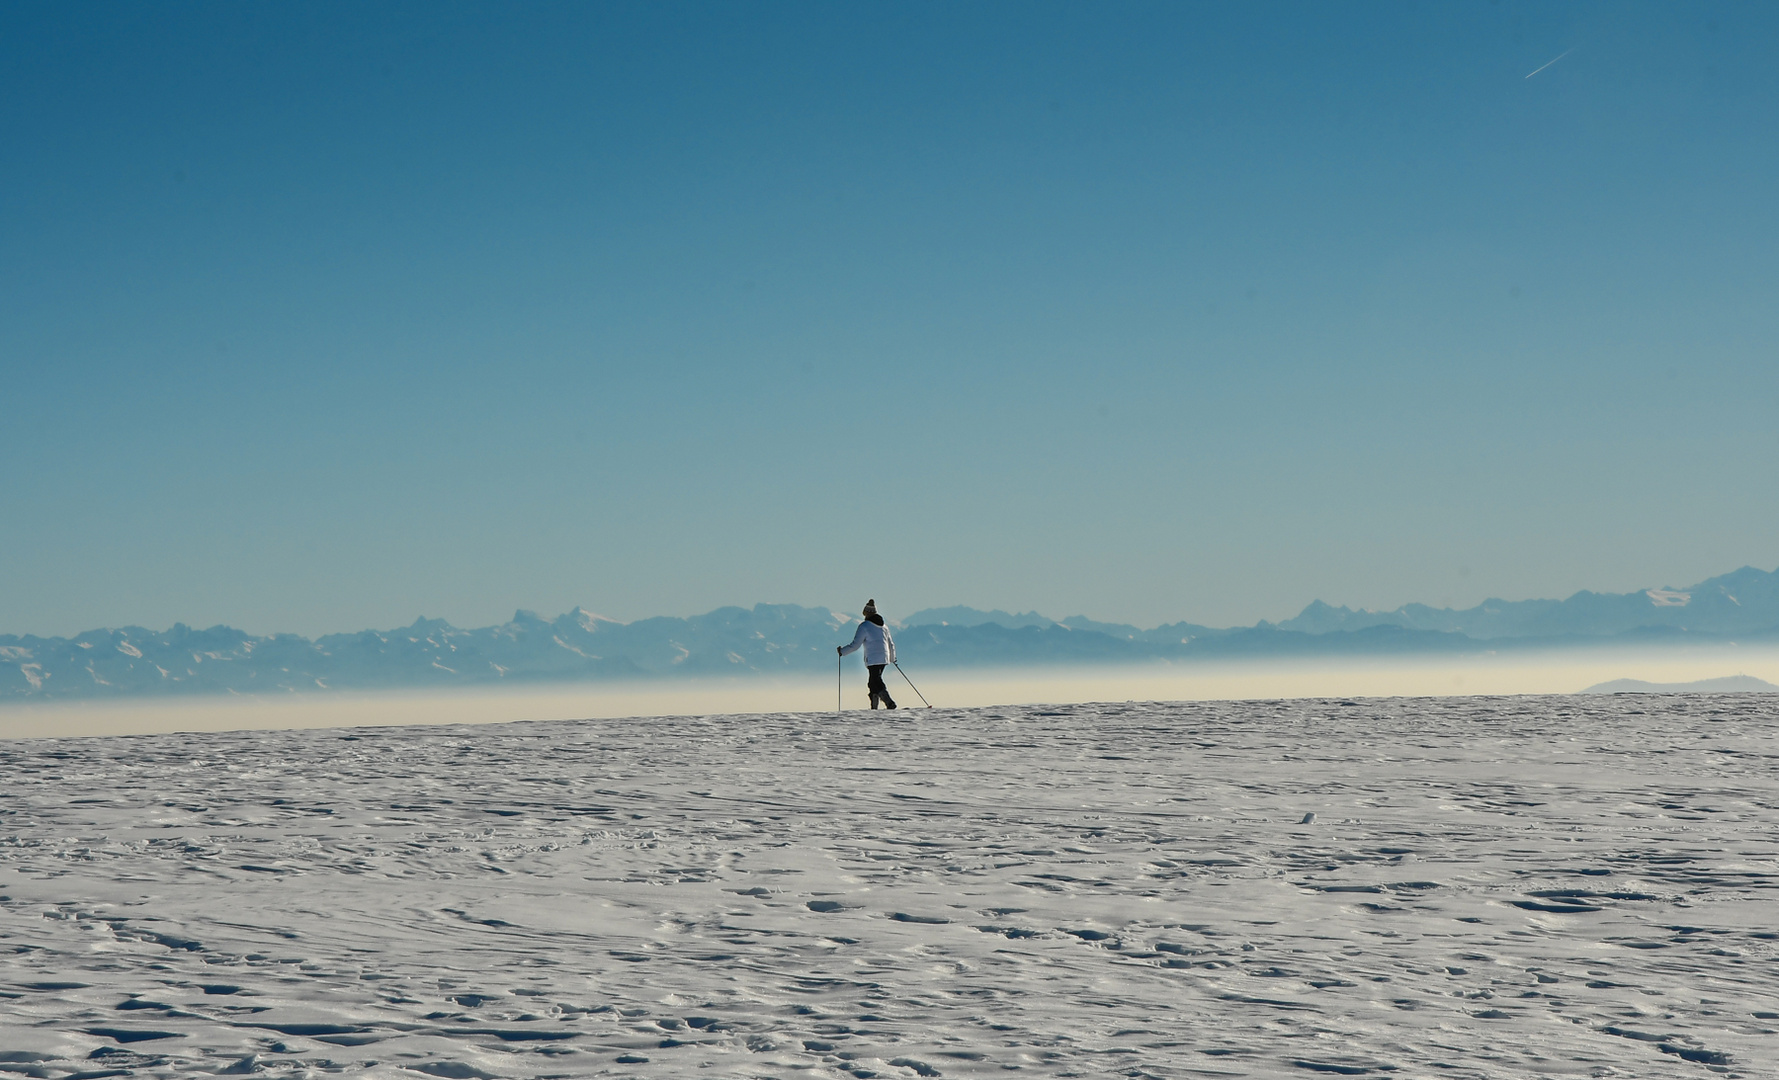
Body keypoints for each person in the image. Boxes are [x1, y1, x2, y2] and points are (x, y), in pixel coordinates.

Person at [838, 599, 897, 709]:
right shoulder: (884, 627)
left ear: (867, 613)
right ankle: (874, 707)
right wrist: (892, 658)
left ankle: (889, 702)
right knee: (872, 682)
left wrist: (842, 651)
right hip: (884, 658)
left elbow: (855, 645)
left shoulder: (864, 626)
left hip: (873, 658)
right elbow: (891, 644)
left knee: (876, 681)